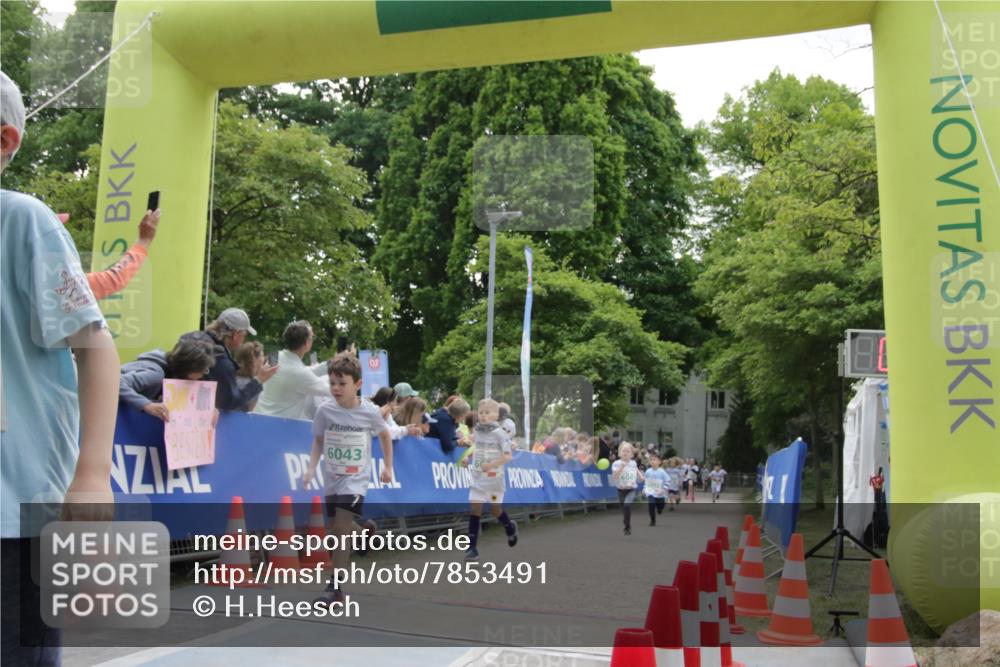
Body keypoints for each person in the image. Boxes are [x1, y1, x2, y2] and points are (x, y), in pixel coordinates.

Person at [2, 69, 121, 666]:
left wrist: (92, 474)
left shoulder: (22, 221)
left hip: (13, 515)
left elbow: (96, 348)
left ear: (3, 142)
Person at [301, 352, 393, 605]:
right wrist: (311, 468)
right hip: (332, 477)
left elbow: (385, 435)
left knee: (340, 530)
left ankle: (335, 589)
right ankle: (363, 534)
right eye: (332, 383)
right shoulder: (325, 410)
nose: (336, 388)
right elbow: (318, 440)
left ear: (358, 384)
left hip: (356, 479)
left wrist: (388, 467)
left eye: (342, 383)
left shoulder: (369, 411)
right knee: (336, 526)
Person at [180, 307, 277, 411]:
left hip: (177, 407)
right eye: (244, 335)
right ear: (235, 335)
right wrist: (259, 380)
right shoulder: (221, 360)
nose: (244, 340)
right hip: (194, 415)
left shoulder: (188, 338)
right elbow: (230, 402)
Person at [461, 398, 518, 560]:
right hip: (478, 477)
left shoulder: (500, 434)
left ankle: (510, 527)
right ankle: (472, 548)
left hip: (494, 479)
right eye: (481, 412)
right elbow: (476, 448)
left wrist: (491, 465)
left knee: (495, 510)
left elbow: (507, 456)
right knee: (475, 509)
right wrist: (467, 457)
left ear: (495, 415)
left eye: (487, 412)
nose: (483, 415)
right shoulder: (478, 431)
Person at [118, 339, 216, 420]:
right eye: (204, 369)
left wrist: (207, 409)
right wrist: (146, 405)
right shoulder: (155, 374)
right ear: (190, 370)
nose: (204, 374)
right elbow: (117, 383)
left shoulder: (176, 374)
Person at [254, 320, 331, 420]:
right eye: (312, 337)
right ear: (307, 343)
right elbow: (330, 389)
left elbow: (304, 372)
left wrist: (331, 363)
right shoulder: (300, 373)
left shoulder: (275, 356)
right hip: (280, 425)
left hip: (259, 417)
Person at [85, 208, 161, 299]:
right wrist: (144, 240)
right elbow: (113, 279)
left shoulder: (70, 283)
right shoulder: (72, 283)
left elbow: (113, 280)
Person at [611, 443, 643, 536]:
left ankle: (627, 528)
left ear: (631, 454)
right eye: (623, 451)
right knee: (624, 508)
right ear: (619, 453)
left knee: (627, 505)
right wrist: (621, 466)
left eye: (628, 451)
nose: (625, 452)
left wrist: (640, 476)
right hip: (621, 489)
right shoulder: (616, 463)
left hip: (631, 489)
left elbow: (636, 469)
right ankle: (626, 523)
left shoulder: (633, 463)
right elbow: (614, 476)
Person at [234, 341, 264, 412]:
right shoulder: (252, 385)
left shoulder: (231, 379)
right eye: (262, 355)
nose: (264, 358)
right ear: (255, 360)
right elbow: (252, 411)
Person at [643, 454, 668, 526]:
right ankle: (652, 520)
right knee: (651, 504)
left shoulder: (662, 472)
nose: (652, 461)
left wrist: (663, 489)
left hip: (660, 494)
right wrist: (644, 488)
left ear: (659, 462)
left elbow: (668, 481)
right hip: (650, 492)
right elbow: (646, 481)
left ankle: (660, 509)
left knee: (661, 505)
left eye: (654, 460)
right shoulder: (648, 471)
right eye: (651, 460)